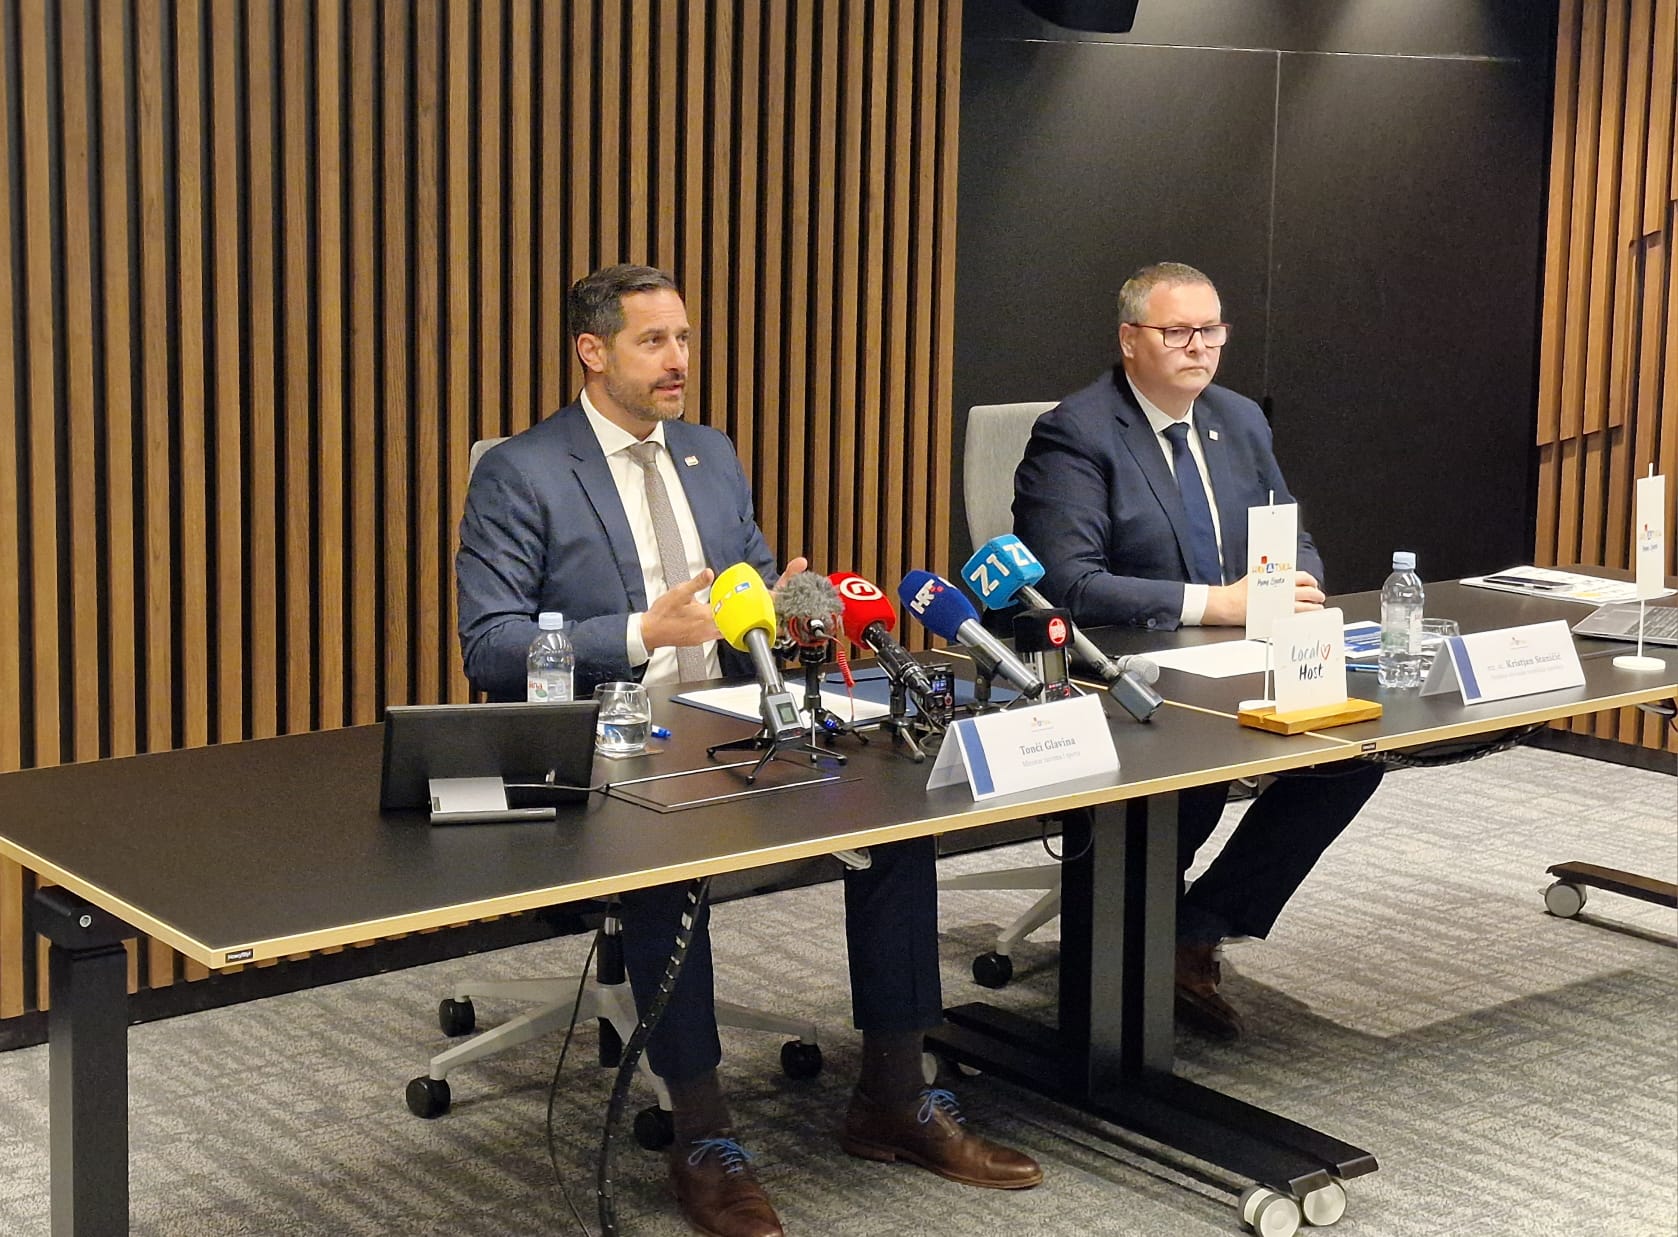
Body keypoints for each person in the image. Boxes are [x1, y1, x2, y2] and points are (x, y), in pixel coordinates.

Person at [458, 264, 1040, 1237]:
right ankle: (702, 1135)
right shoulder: (522, 471)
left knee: (897, 807)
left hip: (736, 718)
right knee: (665, 853)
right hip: (613, 740)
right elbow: (489, 643)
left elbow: (752, 593)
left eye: (683, 337)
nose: (678, 359)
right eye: (653, 340)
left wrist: (789, 605)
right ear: (592, 351)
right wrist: (642, 632)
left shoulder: (709, 453)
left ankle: (895, 1095)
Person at [1013, 260, 1383, 1041]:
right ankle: (1127, 946)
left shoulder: (1239, 418)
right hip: (1122, 666)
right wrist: (1218, 605)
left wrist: (1296, 585)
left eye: (1211, 330)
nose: (1200, 347)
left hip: (1238, 650)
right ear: (1129, 340)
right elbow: (1066, 583)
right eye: (1178, 331)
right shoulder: (1076, 431)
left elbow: (1291, 534)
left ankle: (1193, 927)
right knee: (1196, 777)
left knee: (1352, 753)